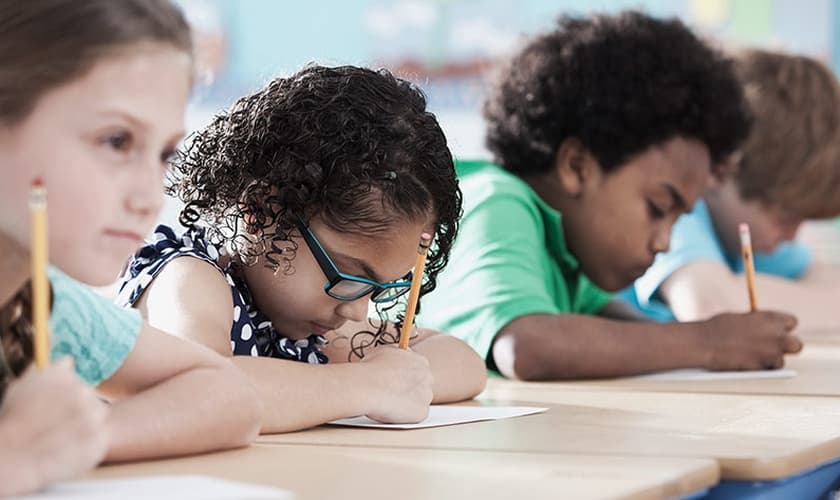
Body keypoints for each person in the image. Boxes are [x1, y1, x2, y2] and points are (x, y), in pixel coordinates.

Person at [420, 11, 801, 380]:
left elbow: (618, 329)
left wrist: (729, 339)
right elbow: (527, 346)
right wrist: (710, 343)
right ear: (577, 166)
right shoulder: (498, 201)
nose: (664, 242)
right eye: (658, 208)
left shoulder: (565, 250)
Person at [116, 65, 487, 432]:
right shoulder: (189, 278)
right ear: (262, 210)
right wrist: (369, 385)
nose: (357, 312)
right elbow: (199, 390)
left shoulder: (303, 323)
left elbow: (464, 361)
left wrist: (397, 379)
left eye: (379, 289)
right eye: (350, 276)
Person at [0, 1, 261, 487]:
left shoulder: (41, 303)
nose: (149, 198)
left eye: (164, 153)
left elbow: (231, 395)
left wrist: (72, 440)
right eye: (117, 141)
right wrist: (13, 458)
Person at [623, 49, 840, 331]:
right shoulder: (677, 212)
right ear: (725, 170)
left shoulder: (744, 236)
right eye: (785, 218)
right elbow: (710, 308)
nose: (791, 236)